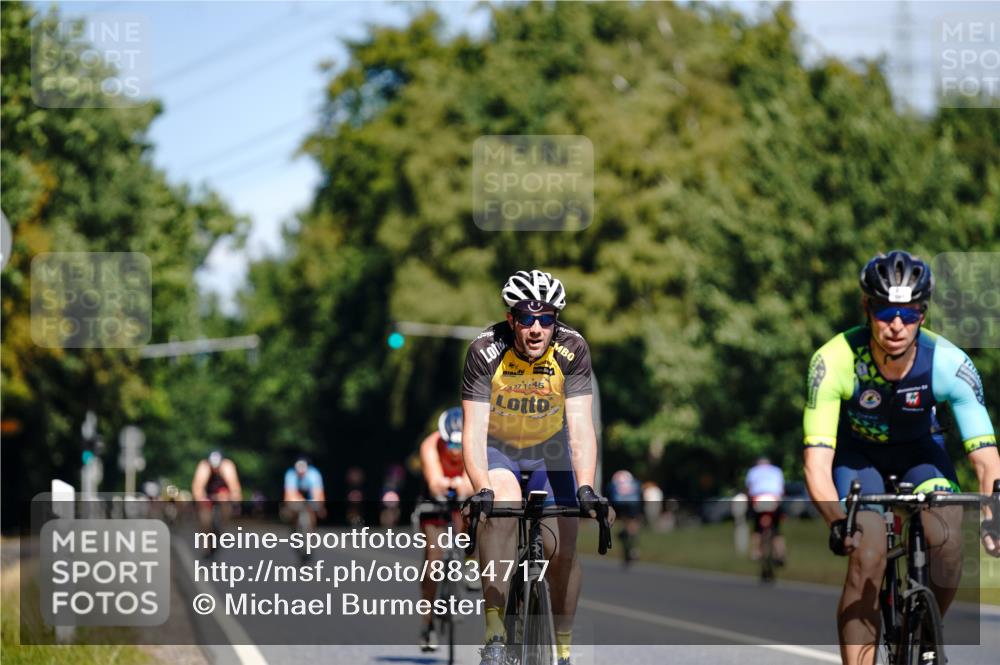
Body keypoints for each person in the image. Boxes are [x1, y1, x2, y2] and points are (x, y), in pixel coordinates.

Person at [802, 250, 1000, 665]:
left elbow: (986, 458)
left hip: (921, 455)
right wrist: (837, 521)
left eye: (908, 314)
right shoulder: (834, 359)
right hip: (858, 459)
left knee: (946, 536)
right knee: (868, 552)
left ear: (923, 315)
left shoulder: (949, 363)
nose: (896, 325)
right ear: (866, 308)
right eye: (884, 311)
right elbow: (816, 463)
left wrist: (992, 516)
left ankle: (927, 632)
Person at [462, 269, 605, 665]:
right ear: (512, 320)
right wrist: (482, 489)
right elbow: (472, 431)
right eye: (527, 318)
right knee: (503, 508)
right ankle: (494, 628)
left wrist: (587, 488)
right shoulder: (484, 351)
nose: (537, 328)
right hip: (499, 448)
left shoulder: (573, 348)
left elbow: (580, 426)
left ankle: (561, 646)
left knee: (563, 549)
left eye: (547, 319)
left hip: (551, 451)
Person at [415, 407, 475, 652]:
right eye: (450, 445)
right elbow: (435, 481)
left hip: (461, 502)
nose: (454, 451)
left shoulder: (474, 442)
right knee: (434, 560)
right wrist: (447, 483)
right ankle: (427, 625)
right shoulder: (430, 445)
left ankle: (469, 564)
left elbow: (473, 481)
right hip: (433, 504)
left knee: (480, 519)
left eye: (459, 446)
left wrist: (464, 486)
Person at [192, 450, 243, 541]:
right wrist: (201, 499)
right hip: (208, 493)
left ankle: (223, 527)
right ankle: (206, 542)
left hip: (222, 493)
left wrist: (235, 497)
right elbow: (198, 487)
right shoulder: (204, 466)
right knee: (205, 517)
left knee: (225, 504)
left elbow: (234, 486)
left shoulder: (227, 466)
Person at [745, 456, 786, 565]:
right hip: (774, 499)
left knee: (757, 528)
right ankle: (780, 554)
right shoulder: (777, 470)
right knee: (776, 530)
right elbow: (781, 489)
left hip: (758, 500)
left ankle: (756, 551)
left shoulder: (753, 471)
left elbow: (749, 489)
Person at [283, 455, 327, 530]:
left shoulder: (314, 474)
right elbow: (289, 495)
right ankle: (294, 527)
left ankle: (312, 532)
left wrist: (320, 507)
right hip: (297, 497)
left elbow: (318, 494)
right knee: (292, 508)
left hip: (310, 496)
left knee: (314, 507)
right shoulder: (290, 474)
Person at [607, 470, 642, 565]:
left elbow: (610, 491)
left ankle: (626, 536)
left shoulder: (615, 480)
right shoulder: (633, 482)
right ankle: (632, 542)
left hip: (619, 501)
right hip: (632, 501)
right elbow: (639, 491)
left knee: (625, 521)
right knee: (632, 523)